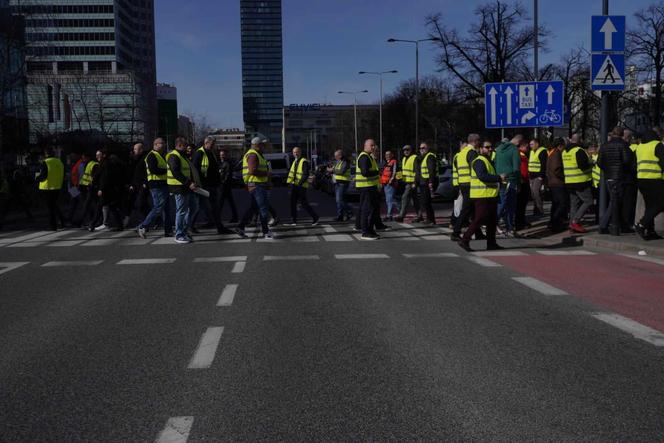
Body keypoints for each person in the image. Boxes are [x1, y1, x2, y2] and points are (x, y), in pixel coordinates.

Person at [458, 142, 505, 252]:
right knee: (479, 219)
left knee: (492, 221)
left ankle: (491, 243)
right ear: (480, 149)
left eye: (490, 147)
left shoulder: (488, 161)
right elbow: (482, 176)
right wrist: (499, 177)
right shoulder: (479, 160)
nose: (490, 149)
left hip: (490, 195)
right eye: (487, 147)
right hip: (481, 195)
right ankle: (464, 240)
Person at [598, 126, 635, 236]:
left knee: (614, 201)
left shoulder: (604, 146)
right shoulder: (623, 145)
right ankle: (606, 226)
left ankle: (610, 225)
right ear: (622, 134)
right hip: (620, 177)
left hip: (609, 176)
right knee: (615, 202)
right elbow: (627, 161)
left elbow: (599, 162)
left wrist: (608, 169)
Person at [192, 136, 233, 234]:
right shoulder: (199, 153)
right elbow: (195, 169)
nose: (214, 145)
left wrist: (219, 182)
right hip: (204, 186)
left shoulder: (211, 153)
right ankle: (190, 225)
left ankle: (219, 227)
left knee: (215, 207)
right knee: (199, 207)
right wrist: (198, 183)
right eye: (213, 143)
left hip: (213, 185)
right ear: (206, 143)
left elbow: (215, 169)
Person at [235, 136, 274, 239]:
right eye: (262, 145)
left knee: (254, 208)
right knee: (263, 208)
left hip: (255, 185)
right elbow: (253, 171)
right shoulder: (253, 155)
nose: (264, 147)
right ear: (257, 145)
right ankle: (266, 232)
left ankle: (241, 227)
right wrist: (267, 174)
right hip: (257, 185)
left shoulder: (257, 154)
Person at [137, 138, 173, 239]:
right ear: (155, 144)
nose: (163, 145)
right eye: (161, 143)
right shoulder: (151, 155)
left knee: (167, 209)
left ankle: (168, 230)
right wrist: (167, 170)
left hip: (163, 184)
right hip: (156, 185)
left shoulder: (161, 155)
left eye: (164, 143)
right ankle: (143, 226)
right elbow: (153, 169)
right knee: (158, 207)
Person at [167, 137, 198, 243]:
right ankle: (179, 234)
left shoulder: (182, 156)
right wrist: (189, 183)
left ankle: (184, 231)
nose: (187, 148)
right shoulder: (173, 156)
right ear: (180, 145)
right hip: (179, 187)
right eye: (185, 146)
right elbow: (176, 172)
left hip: (186, 187)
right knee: (181, 211)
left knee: (194, 208)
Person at [634, 129, 664, 240]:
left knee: (650, 206)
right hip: (655, 179)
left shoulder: (640, 147)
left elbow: (634, 164)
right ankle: (642, 224)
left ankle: (650, 231)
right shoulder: (657, 145)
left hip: (642, 179)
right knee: (660, 203)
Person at [451, 134, 481, 240]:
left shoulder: (461, 153)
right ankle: (455, 232)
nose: (479, 143)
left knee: (473, 210)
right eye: (479, 141)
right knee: (467, 210)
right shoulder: (472, 153)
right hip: (470, 184)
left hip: (463, 184)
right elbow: (477, 169)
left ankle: (478, 233)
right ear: (475, 141)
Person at [562, 133, 593, 233]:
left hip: (569, 181)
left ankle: (572, 224)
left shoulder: (565, 151)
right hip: (580, 182)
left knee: (574, 204)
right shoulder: (579, 150)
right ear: (580, 140)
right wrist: (592, 163)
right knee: (588, 201)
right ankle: (575, 221)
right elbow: (583, 166)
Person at [90, 150, 126, 232]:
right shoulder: (105, 164)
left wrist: (101, 189)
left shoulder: (106, 164)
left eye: (99, 155)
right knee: (112, 207)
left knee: (100, 207)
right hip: (109, 190)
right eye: (96, 155)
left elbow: (105, 178)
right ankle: (119, 225)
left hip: (106, 190)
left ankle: (92, 224)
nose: (97, 157)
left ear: (104, 155)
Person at [494, 134, 522, 237]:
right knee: (510, 206)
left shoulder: (499, 149)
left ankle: (492, 225)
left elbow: (495, 163)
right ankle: (509, 228)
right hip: (511, 180)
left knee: (501, 203)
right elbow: (516, 168)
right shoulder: (514, 150)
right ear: (518, 142)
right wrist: (518, 182)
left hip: (499, 180)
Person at [285, 146, 319, 226]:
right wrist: (289, 183)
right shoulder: (295, 161)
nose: (295, 153)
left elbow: (305, 174)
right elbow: (293, 174)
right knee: (292, 203)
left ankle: (315, 217)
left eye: (297, 152)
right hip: (295, 186)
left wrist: (299, 183)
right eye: (294, 152)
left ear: (300, 152)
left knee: (304, 203)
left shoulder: (304, 161)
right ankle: (293, 220)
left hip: (301, 186)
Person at [356, 139, 382, 240]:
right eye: (371, 145)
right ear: (365, 146)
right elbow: (365, 173)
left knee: (373, 209)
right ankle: (365, 232)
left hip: (370, 187)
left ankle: (370, 230)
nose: (373, 147)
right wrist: (376, 172)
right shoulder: (364, 157)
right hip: (366, 187)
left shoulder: (369, 157)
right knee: (367, 210)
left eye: (374, 145)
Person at [36, 148, 65, 231]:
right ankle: (62, 221)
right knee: (54, 205)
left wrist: (36, 178)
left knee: (50, 208)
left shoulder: (46, 162)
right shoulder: (59, 162)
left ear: (46, 154)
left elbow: (43, 175)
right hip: (57, 186)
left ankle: (53, 226)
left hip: (47, 187)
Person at [546, 138, 568, 232]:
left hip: (552, 182)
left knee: (556, 204)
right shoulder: (556, 153)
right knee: (562, 204)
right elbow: (556, 168)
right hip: (558, 182)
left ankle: (553, 223)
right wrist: (564, 176)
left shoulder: (551, 152)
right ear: (560, 145)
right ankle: (555, 223)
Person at [125, 143, 149, 228]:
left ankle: (144, 223)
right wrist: (132, 184)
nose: (134, 151)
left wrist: (145, 183)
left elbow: (147, 172)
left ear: (141, 150)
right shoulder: (135, 159)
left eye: (135, 149)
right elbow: (133, 173)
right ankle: (147, 221)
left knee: (141, 204)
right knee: (139, 204)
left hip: (142, 185)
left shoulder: (145, 158)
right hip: (135, 185)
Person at [395, 145, 420, 222]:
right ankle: (420, 215)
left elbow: (417, 171)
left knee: (404, 197)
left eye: (407, 150)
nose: (406, 151)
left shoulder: (414, 158)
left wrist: (415, 183)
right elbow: (402, 170)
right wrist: (398, 179)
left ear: (411, 150)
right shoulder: (404, 159)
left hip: (412, 183)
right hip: (406, 182)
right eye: (404, 150)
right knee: (415, 200)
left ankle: (401, 216)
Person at [328, 149, 353, 221]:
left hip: (343, 183)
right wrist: (330, 171)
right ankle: (340, 216)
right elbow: (335, 170)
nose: (335, 157)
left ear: (340, 155)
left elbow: (342, 171)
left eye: (336, 156)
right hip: (337, 183)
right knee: (338, 201)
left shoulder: (345, 162)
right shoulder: (338, 162)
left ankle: (349, 212)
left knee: (340, 200)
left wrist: (332, 170)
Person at [418, 142, 438, 225]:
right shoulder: (424, 157)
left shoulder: (430, 156)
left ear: (427, 148)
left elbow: (431, 170)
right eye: (420, 148)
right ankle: (429, 219)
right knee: (425, 202)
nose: (421, 149)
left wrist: (430, 182)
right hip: (424, 182)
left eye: (423, 148)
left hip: (427, 182)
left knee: (426, 201)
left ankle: (431, 220)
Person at [622, 129, 638, 229]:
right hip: (628, 179)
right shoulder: (627, 148)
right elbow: (631, 165)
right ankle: (626, 223)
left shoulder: (609, 145)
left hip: (615, 178)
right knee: (628, 202)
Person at [79, 151, 100, 229]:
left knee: (87, 205)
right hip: (85, 187)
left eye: (84, 158)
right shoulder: (87, 164)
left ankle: (83, 221)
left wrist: (91, 184)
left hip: (91, 188)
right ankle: (93, 220)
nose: (83, 159)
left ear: (88, 157)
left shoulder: (94, 164)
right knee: (91, 205)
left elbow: (94, 177)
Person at [528, 139, 547, 217]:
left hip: (538, 176)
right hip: (531, 176)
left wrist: (541, 176)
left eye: (532, 144)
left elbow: (543, 164)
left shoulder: (542, 151)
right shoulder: (531, 151)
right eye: (530, 144)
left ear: (537, 144)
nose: (530, 146)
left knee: (536, 192)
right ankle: (536, 210)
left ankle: (540, 210)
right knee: (533, 194)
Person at [218, 149, 239, 223]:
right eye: (221, 155)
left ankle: (216, 219)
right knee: (229, 202)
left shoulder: (227, 164)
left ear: (226, 155)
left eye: (223, 155)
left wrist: (222, 183)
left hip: (225, 186)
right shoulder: (221, 163)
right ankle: (235, 217)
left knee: (220, 202)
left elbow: (227, 175)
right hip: (225, 186)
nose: (222, 156)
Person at [515, 140, 530, 230]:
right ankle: (519, 223)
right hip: (521, 182)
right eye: (526, 147)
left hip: (525, 181)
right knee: (520, 204)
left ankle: (522, 221)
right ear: (521, 147)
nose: (528, 149)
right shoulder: (518, 155)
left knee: (523, 204)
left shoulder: (523, 155)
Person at [380, 150, 398, 221]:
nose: (387, 156)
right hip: (384, 183)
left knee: (389, 199)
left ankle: (389, 215)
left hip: (390, 183)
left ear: (392, 155)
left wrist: (391, 179)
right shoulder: (385, 163)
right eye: (386, 154)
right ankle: (390, 214)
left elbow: (394, 171)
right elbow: (383, 173)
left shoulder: (393, 162)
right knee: (388, 200)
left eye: (388, 154)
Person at [67, 152, 84, 226]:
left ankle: (83, 220)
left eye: (72, 156)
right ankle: (70, 220)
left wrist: (79, 185)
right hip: (74, 188)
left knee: (83, 205)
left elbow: (81, 175)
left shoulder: (79, 164)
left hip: (77, 188)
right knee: (73, 205)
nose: (70, 158)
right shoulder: (75, 164)